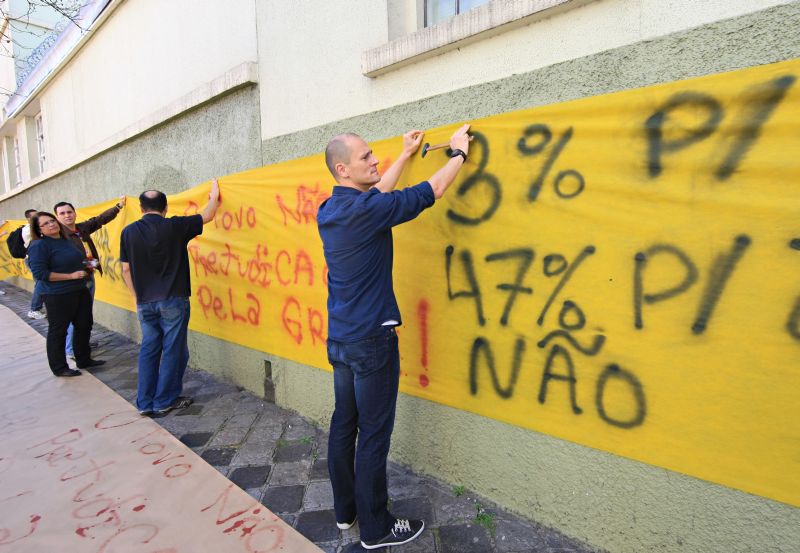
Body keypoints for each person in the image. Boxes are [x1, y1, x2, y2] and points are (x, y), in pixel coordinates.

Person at [318, 124, 471, 550]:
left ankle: (346, 513)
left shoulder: (330, 210)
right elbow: (431, 191)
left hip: (342, 340)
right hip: (371, 342)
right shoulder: (366, 211)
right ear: (344, 169)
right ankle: (377, 528)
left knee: (343, 424)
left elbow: (377, 196)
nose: (375, 160)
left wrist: (406, 154)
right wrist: (457, 155)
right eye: (367, 157)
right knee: (373, 434)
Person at [119, 181, 220, 417]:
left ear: (141, 209)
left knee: (150, 349)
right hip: (173, 299)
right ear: (165, 208)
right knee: (174, 350)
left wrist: (137, 298)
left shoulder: (128, 232)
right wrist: (214, 194)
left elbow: (125, 269)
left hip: (145, 302)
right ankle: (164, 400)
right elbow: (207, 215)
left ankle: (145, 402)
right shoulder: (175, 226)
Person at [27, 212, 107, 377]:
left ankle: (84, 359)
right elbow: (40, 273)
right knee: (59, 330)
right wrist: (69, 276)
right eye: (45, 224)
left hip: (79, 289)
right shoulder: (39, 245)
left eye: (52, 221)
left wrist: (90, 264)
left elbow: (76, 260)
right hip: (58, 295)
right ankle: (59, 367)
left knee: (84, 324)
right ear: (38, 229)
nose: (51, 224)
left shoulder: (66, 240)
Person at [54, 197, 126, 358]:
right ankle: (71, 349)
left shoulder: (80, 229)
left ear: (74, 213)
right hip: (73, 282)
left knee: (84, 316)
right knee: (74, 315)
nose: (67, 216)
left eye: (69, 212)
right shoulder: (57, 237)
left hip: (88, 277)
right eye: (62, 213)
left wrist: (118, 207)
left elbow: (98, 220)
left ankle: (80, 345)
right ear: (57, 217)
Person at [19, 209, 46, 318]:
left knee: (41, 283)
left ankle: (37, 308)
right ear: (29, 218)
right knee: (41, 283)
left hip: (38, 259)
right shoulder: (28, 229)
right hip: (34, 261)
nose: (39, 217)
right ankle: (34, 309)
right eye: (36, 216)